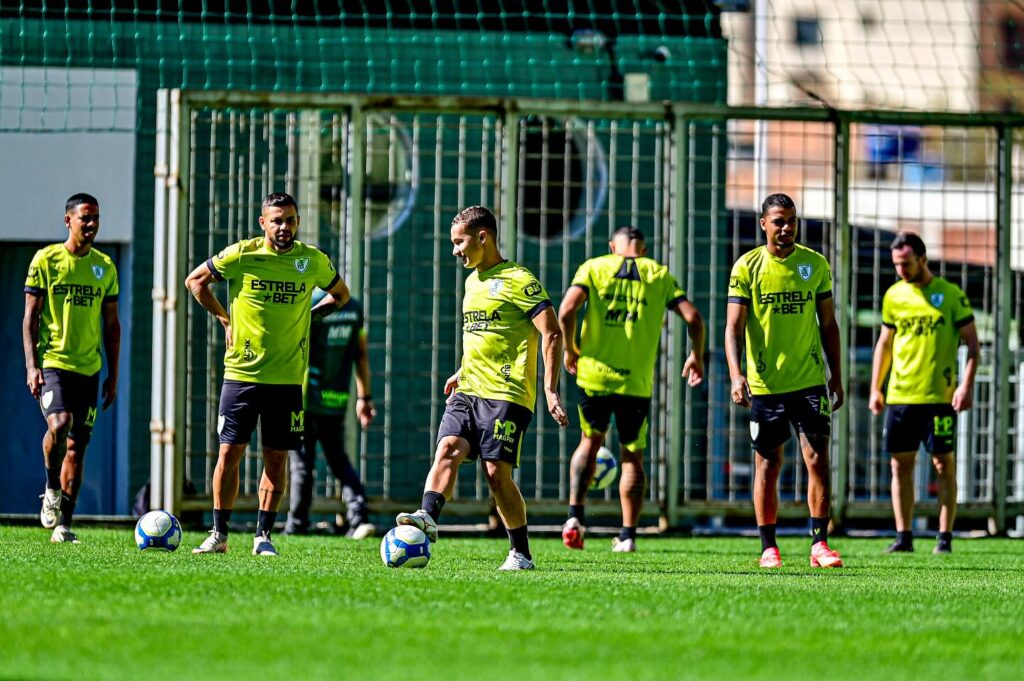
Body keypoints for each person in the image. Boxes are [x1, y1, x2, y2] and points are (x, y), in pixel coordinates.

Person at [395, 206, 569, 570]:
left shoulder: (519, 279)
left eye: (459, 242)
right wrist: (461, 369)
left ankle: (520, 552)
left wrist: (550, 389)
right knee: (447, 449)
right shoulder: (472, 281)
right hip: (469, 388)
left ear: (483, 237)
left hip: (507, 393)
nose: (455, 250)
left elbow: (551, 331)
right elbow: (483, 334)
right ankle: (427, 517)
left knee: (495, 473)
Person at [184, 192, 350, 557]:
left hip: (288, 379)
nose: (284, 227)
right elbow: (195, 282)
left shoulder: (312, 260)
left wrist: (311, 316)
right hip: (241, 374)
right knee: (229, 453)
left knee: (276, 458)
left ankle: (263, 536)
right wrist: (223, 318)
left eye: (290, 220)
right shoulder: (243, 254)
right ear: (263, 223)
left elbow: (340, 294)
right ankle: (219, 534)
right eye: (277, 220)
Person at [558, 226, 705, 553]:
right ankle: (627, 536)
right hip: (634, 383)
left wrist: (570, 349)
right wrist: (696, 354)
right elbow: (693, 317)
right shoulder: (658, 274)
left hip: (593, 376)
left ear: (614, 246)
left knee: (589, 441)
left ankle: (574, 518)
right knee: (632, 456)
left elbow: (566, 311)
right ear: (644, 247)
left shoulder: (595, 267)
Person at [725, 193, 845, 569]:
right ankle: (768, 547)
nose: (787, 227)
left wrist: (836, 375)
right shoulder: (747, 267)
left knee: (817, 460)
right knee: (768, 465)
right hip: (765, 385)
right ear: (763, 223)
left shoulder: (814, 264)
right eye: (778, 221)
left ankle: (819, 545)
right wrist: (736, 373)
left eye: (791, 220)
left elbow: (828, 323)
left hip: (808, 381)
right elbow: (733, 327)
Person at [869, 232, 978, 554]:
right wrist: (876, 387)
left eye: (905, 263)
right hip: (901, 397)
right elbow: (885, 344)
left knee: (943, 464)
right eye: (896, 265)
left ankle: (944, 538)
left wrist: (966, 385)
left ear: (922, 259)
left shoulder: (950, 295)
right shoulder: (894, 296)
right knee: (899, 467)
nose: (900, 270)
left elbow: (972, 344)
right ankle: (904, 537)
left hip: (939, 399)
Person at [23, 193, 121, 544]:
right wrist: (32, 366)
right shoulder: (46, 260)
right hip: (53, 364)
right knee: (59, 424)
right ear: (69, 221)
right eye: (85, 218)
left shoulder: (105, 267)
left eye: (96, 217)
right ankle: (51, 487)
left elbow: (112, 326)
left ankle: (63, 523)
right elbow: (31, 317)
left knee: (78, 448)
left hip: (89, 369)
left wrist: (113, 374)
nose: (92, 224)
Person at [284, 291, 377, 538]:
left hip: (304, 397)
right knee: (338, 459)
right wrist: (364, 397)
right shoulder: (354, 308)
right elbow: (361, 355)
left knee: (302, 464)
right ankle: (359, 517)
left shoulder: (309, 303)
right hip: (336, 399)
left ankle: (296, 524)